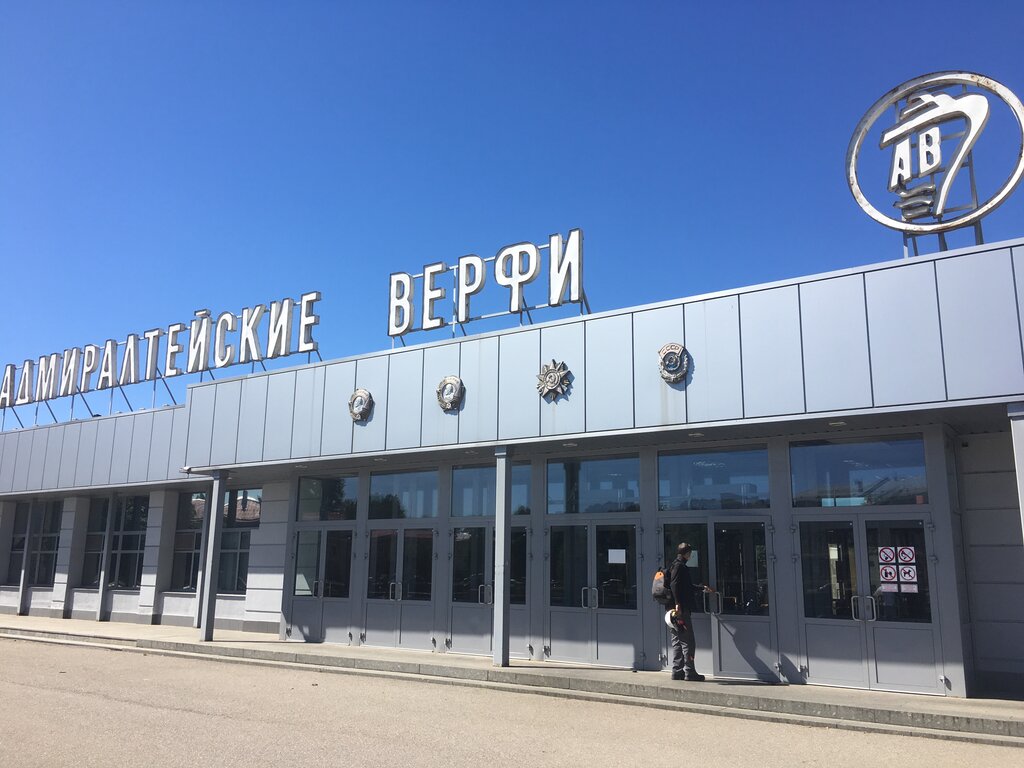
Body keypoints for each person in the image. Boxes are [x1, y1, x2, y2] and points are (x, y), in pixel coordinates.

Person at [669, 542, 715, 681]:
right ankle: (690, 671)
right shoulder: (679, 566)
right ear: (687, 553)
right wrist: (678, 603)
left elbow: (686, 586)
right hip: (681, 610)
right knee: (688, 641)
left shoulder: (675, 565)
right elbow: (674, 584)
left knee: (677, 640)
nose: (691, 555)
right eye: (690, 553)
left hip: (674, 611)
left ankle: (677, 671)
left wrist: (701, 588)